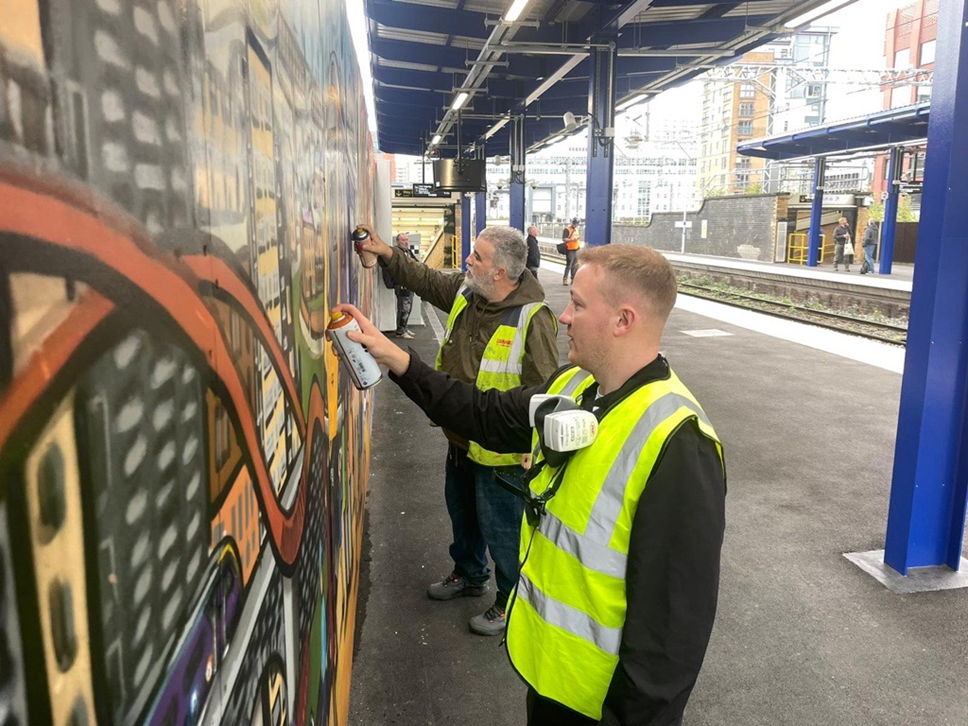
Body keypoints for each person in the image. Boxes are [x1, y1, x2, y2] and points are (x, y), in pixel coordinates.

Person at [337, 243, 727, 726]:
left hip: (599, 705)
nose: (564, 317)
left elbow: (672, 637)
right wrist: (396, 357)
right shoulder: (572, 388)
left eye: (579, 305)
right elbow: (479, 412)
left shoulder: (679, 442)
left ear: (623, 320)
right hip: (549, 680)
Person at [354, 222, 560, 636]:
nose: (468, 260)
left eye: (477, 256)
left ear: (500, 272)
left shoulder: (531, 319)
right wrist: (389, 252)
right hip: (461, 437)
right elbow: (427, 281)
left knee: (502, 531)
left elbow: (547, 391)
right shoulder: (471, 293)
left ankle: (510, 601)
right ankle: (469, 574)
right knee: (463, 516)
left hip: (502, 454)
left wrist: (537, 448)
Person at [383, 232, 418, 338]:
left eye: (407, 240)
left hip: (408, 283)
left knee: (408, 307)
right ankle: (400, 331)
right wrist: (392, 283)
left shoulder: (408, 252)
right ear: (397, 241)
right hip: (401, 284)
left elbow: (416, 263)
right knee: (404, 308)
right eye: (403, 240)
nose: (406, 242)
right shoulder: (396, 252)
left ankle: (404, 327)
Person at [561, 217, 581, 285]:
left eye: (577, 224)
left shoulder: (577, 230)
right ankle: (565, 279)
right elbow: (564, 239)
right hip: (570, 250)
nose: (575, 225)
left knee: (575, 265)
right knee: (569, 265)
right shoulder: (567, 229)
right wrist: (572, 240)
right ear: (572, 223)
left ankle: (573, 279)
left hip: (576, 249)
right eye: (575, 224)